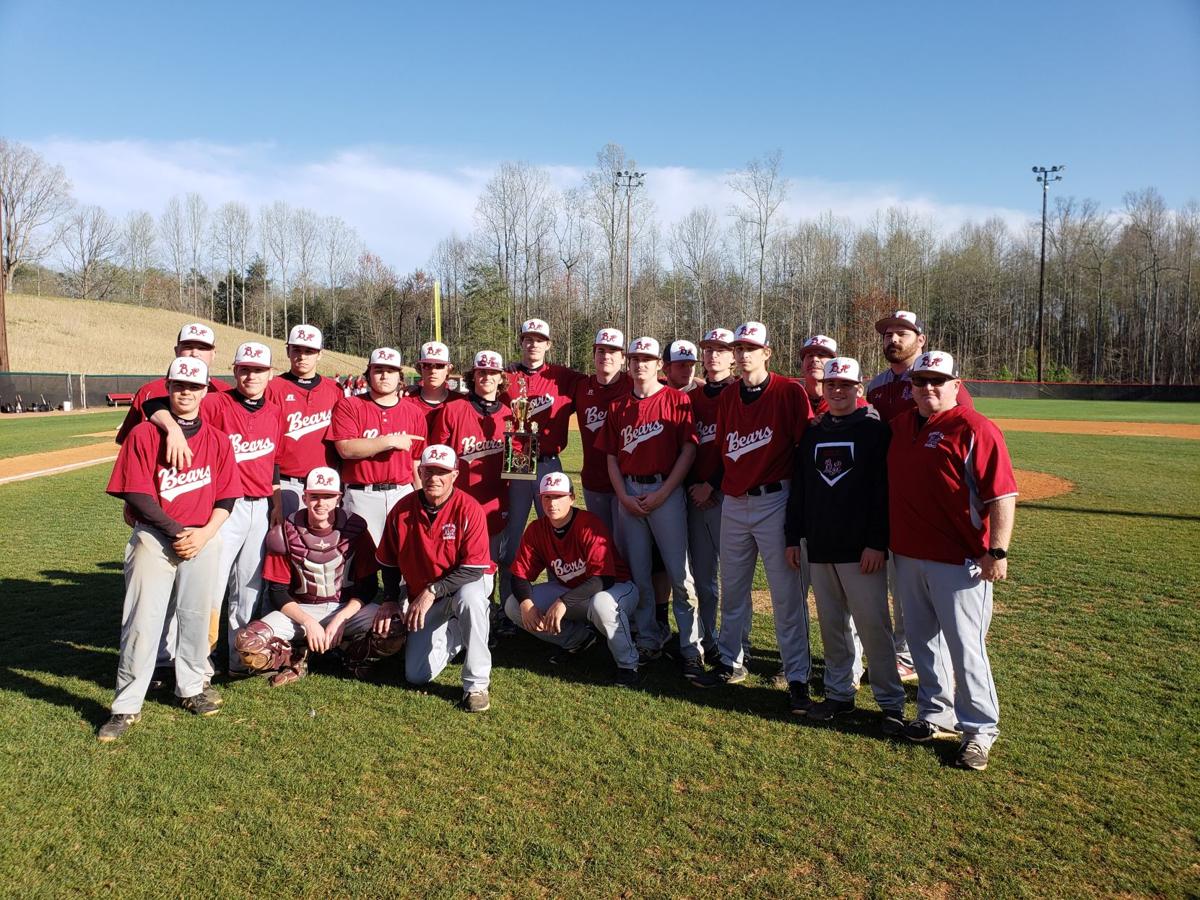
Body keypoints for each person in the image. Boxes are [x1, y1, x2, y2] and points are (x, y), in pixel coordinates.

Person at [98, 357, 241, 742]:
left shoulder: (217, 440)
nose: (186, 393)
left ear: (206, 391)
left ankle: (191, 687)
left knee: (195, 618)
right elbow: (137, 494)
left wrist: (206, 533)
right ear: (168, 387)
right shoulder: (144, 435)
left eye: (194, 387)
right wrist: (179, 531)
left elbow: (227, 497)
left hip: (203, 538)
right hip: (154, 538)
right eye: (179, 385)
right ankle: (126, 706)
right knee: (142, 622)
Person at [888, 351, 1017, 771]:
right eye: (921, 381)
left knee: (966, 648)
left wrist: (996, 550)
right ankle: (935, 714)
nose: (928, 388)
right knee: (922, 642)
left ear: (956, 385)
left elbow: (1002, 495)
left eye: (938, 381)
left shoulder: (975, 428)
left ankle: (980, 730)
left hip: (960, 560)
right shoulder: (901, 425)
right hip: (908, 554)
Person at [695, 321, 814, 715]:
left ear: (767, 352)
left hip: (775, 501)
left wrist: (798, 511)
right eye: (739, 347)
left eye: (752, 348)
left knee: (786, 596)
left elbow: (804, 451)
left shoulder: (789, 392)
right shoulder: (729, 396)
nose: (744, 354)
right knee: (733, 590)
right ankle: (731, 662)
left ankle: (797, 675)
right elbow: (726, 449)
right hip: (734, 502)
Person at [785, 357, 906, 734]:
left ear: (859, 388)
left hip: (860, 550)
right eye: (831, 385)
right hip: (819, 545)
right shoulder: (813, 432)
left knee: (874, 627)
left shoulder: (874, 432)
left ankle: (890, 702)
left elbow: (883, 493)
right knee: (833, 625)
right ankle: (839, 693)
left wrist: (876, 543)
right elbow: (800, 489)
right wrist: (793, 537)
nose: (837, 391)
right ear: (823, 388)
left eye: (845, 385)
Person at [866, 310, 974, 685]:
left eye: (902, 333)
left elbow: (963, 432)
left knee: (918, 587)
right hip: (887, 493)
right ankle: (899, 651)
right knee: (895, 579)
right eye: (887, 334)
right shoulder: (875, 386)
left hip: (927, 501)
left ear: (921, 340)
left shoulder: (941, 383)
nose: (893, 339)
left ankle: (908, 656)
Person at [232, 466, 404, 685]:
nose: (321, 504)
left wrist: (341, 619)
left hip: (343, 608)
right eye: (314, 497)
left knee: (394, 630)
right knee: (248, 644)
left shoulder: (355, 528)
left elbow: (368, 586)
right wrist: (308, 622)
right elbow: (277, 592)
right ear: (304, 497)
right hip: (300, 611)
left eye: (328, 497)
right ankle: (295, 656)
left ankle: (350, 654)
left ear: (339, 498)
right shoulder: (285, 532)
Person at [598, 336, 704, 680]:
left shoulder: (676, 400)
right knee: (639, 573)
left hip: (665, 490)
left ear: (660, 364)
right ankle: (647, 638)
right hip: (629, 491)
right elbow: (612, 459)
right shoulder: (618, 407)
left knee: (679, 574)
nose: (640, 364)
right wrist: (623, 497)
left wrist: (665, 492)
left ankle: (691, 647)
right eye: (635, 359)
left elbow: (689, 451)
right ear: (628, 364)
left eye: (647, 359)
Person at [375, 444, 496, 712]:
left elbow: (475, 568)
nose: (434, 478)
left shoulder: (469, 508)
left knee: (471, 600)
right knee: (416, 675)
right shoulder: (402, 509)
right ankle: (457, 635)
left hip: (462, 585)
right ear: (419, 472)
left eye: (442, 472)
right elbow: (389, 561)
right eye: (429, 471)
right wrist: (391, 599)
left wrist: (433, 591)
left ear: (455, 474)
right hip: (423, 593)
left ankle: (476, 685)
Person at [505, 472, 641, 685]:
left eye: (559, 496)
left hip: (618, 588)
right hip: (573, 592)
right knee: (514, 605)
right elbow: (519, 575)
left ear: (572, 498)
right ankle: (578, 640)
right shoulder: (537, 529)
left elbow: (603, 579)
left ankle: (628, 664)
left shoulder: (588, 524)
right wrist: (527, 604)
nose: (552, 503)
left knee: (601, 604)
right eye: (547, 497)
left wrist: (563, 602)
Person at [500, 318, 583, 588]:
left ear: (548, 345)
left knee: (557, 529)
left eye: (538, 339)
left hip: (549, 462)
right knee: (511, 535)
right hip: (515, 462)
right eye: (527, 339)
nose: (532, 344)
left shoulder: (564, 377)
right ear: (521, 342)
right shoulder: (506, 377)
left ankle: (560, 595)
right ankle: (508, 600)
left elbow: (608, 383)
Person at [430, 350, 512, 616]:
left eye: (492, 373)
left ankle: (488, 613)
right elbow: (437, 457)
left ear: (501, 378)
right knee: (453, 558)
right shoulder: (453, 410)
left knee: (490, 561)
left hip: (495, 500)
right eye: (481, 372)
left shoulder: (511, 415)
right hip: (457, 503)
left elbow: (518, 462)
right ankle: (452, 613)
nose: (486, 377)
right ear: (472, 376)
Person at [330, 347, 427, 544]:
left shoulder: (414, 412)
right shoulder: (350, 405)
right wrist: (389, 441)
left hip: (402, 492)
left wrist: (421, 498)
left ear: (400, 377)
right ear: (368, 373)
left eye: (390, 371)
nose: (384, 375)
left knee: (404, 564)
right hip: (361, 494)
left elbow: (417, 462)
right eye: (378, 370)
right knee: (359, 567)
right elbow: (346, 449)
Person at [685, 327, 737, 663]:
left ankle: (738, 646)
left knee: (734, 579)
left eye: (721, 349)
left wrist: (714, 486)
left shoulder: (740, 394)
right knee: (702, 578)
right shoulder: (692, 396)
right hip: (694, 496)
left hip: (728, 497)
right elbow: (683, 445)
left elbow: (742, 449)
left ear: (733, 356)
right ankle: (708, 639)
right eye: (708, 349)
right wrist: (696, 486)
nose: (714, 355)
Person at [268, 324, 345, 519]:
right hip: (284, 483)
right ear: (288, 351)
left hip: (324, 486)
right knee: (281, 544)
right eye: (297, 349)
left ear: (319, 354)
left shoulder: (334, 390)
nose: (302, 356)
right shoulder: (273, 388)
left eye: (309, 351)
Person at [114, 322, 232, 447]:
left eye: (202, 348)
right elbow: (129, 443)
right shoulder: (149, 392)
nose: (195, 353)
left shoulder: (226, 392)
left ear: (213, 354)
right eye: (187, 347)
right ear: (177, 350)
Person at [572, 327, 631, 537]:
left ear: (623, 358)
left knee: (626, 546)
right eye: (601, 351)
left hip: (627, 484)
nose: (606, 356)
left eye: (613, 351)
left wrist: (697, 382)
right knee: (601, 543)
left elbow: (672, 387)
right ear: (594, 354)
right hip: (593, 481)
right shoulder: (580, 387)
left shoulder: (635, 384)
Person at [405, 340, 463, 429]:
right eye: (427, 365)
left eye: (439, 366)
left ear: (449, 369)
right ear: (419, 368)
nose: (433, 371)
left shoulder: (460, 402)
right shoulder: (406, 401)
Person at [799, 334, 838, 415]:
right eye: (810, 355)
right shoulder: (791, 399)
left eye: (821, 355)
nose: (814, 359)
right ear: (802, 365)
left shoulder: (849, 402)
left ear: (834, 364)